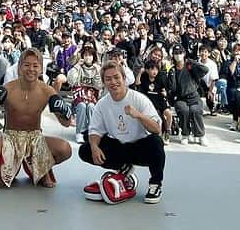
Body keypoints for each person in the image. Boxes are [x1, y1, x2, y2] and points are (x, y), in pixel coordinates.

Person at [0, 49, 73, 189]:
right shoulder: (7, 89)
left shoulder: (47, 91)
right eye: (27, 65)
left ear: (41, 68)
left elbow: (66, 123)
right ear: (20, 67)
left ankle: (41, 168)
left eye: (35, 65)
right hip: (11, 137)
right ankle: (6, 167)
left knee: (65, 149)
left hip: (36, 138)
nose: (31, 69)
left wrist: (65, 112)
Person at [79, 61, 165, 205]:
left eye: (116, 77)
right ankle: (123, 167)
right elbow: (95, 130)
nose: (113, 82)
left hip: (140, 147)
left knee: (156, 142)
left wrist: (138, 115)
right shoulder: (102, 104)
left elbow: (157, 129)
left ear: (124, 78)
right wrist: (94, 147)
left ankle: (155, 184)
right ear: (104, 82)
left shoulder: (139, 99)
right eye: (108, 79)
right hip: (119, 147)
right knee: (86, 148)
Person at [165, 45, 208, 146]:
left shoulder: (190, 66)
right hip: (181, 98)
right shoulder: (173, 70)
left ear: (184, 54)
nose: (178, 55)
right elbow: (172, 88)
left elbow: (205, 70)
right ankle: (185, 134)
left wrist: (193, 63)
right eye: (176, 53)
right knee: (184, 110)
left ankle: (200, 135)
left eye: (180, 53)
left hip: (194, 96)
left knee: (195, 110)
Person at [67, 44, 103, 142]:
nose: (88, 57)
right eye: (86, 55)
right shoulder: (78, 67)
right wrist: (77, 65)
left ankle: (91, 132)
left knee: (91, 107)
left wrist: (97, 71)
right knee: (82, 106)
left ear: (93, 57)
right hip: (79, 97)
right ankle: (80, 132)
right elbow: (71, 80)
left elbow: (99, 85)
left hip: (92, 97)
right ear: (82, 56)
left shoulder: (97, 69)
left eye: (90, 55)